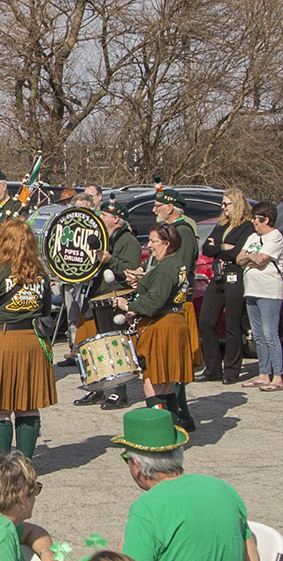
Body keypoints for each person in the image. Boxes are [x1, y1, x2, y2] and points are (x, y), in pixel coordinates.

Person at [113, 408, 259, 561]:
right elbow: (249, 550)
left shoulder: (146, 509)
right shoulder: (223, 488)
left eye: (126, 459)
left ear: (136, 465)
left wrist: (119, 555)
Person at [0, 219, 56, 459]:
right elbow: (46, 310)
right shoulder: (41, 273)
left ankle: (2, 465)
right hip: (32, 342)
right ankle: (25, 463)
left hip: (1, 342)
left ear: (4, 241)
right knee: (27, 404)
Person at [116, 224, 193, 415]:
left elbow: (153, 303)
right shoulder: (175, 263)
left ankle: (162, 436)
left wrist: (128, 306)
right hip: (172, 322)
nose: (149, 245)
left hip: (164, 325)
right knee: (166, 385)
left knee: (153, 383)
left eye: (153, 241)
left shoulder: (166, 267)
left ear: (167, 244)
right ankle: (173, 433)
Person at [73, 195, 142, 409]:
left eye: (104, 215)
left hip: (115, 297)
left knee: (116, 344)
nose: (100, 217)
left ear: (116, 219)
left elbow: (131, 271)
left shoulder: (128, 241)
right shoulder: (103, 237)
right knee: (97, 345)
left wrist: (110, 259)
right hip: (98, 296)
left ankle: (120, 393)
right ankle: (98, 389)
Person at [150, 186, 201, 431]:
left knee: (175, 365)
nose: (154, 210)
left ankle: (182, 414)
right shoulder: (173, 231)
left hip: (180, 302)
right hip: (170, 301)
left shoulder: (184, 231)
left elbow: (180, 270)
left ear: (170, 207)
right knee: (169, 368)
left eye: (158, 206)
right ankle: (181, 413)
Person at [196, 189, 254, 384]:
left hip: (234, 275)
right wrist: (223, 247)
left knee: (232, 323)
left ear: (236, 205)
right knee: (206, 320)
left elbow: (238, 254)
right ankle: (212, 368)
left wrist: (221, 248)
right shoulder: (222, 225)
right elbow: (207, 248)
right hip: (218, 275)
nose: (223, 207)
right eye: (222, 203)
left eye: (226, 204)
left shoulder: (246, 227)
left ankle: (231, 369)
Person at [237, 201, 283, 391]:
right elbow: (239, 259)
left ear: (266, 219)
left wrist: (251, 259)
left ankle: (278, 376)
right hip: (252, 289)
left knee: (270, 333)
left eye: (257, 218)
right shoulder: (252, 237)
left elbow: (263, 259)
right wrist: (250, 259)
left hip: (269, 290)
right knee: (258, 335)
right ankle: (263, 373)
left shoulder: (275, 237)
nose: (254, 222)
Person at [57, 192, 97, 367]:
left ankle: (88, 353)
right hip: (68, 279)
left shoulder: (96, 226)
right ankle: (75, 352)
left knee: (86, 318)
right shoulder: (65, 224)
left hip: (87, 280)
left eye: (84, 207)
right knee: (72, 318)